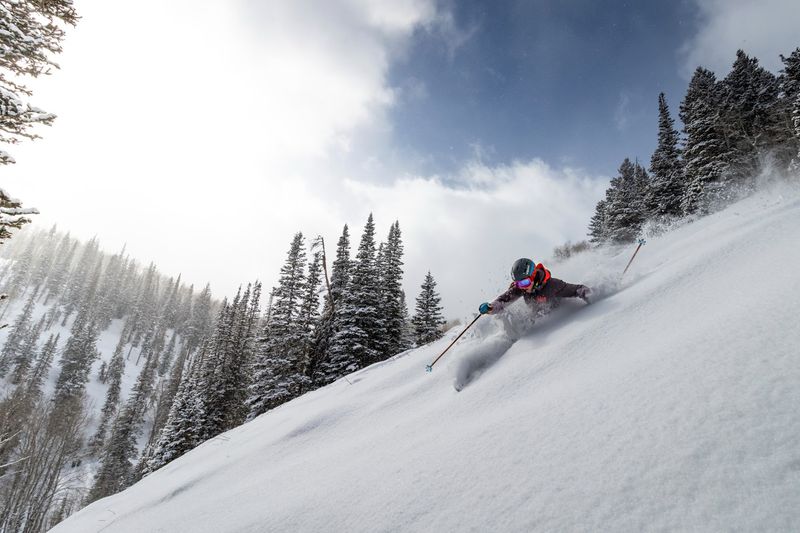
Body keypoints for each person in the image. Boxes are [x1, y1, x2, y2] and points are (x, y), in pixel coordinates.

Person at [479, 257, 591, 316]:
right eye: (518, 284)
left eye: (524, 283)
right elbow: (503, 300)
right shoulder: (521, 288)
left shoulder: (553, 285)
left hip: (558, 320)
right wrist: (491, 308)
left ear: (533, 276)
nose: (521, 287)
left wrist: (591, 296)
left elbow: (577, 289)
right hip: (538, 320)